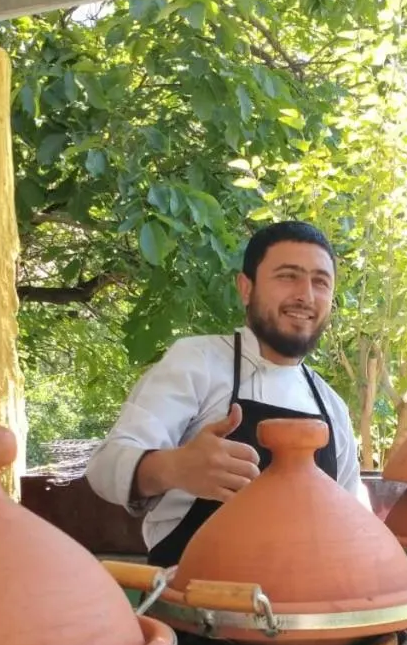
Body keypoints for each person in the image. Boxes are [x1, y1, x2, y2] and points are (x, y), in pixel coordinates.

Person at [86, 220, 370, 566]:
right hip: (192, 606)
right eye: (287, 276)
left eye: (320, 282)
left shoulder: (331, 406)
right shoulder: (198, 362)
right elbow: (104, 467)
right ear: (245, 288)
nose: (305, 295)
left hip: (298, 610)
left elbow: (355, 522)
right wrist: (174, 468)